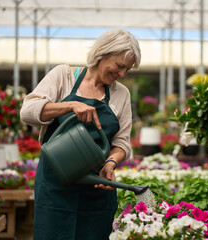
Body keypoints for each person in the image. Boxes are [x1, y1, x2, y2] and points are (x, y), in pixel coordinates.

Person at [20, 29, 141, 239]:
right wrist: (69, 106)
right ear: (102, 53)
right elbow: (28, 111)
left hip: (96, 186)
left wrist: (110, 164)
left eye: (127, 70)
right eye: (119, 66)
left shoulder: (121, 93)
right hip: (56, 185)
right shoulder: (63, 76)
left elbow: (122, 142)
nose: (121, 74)